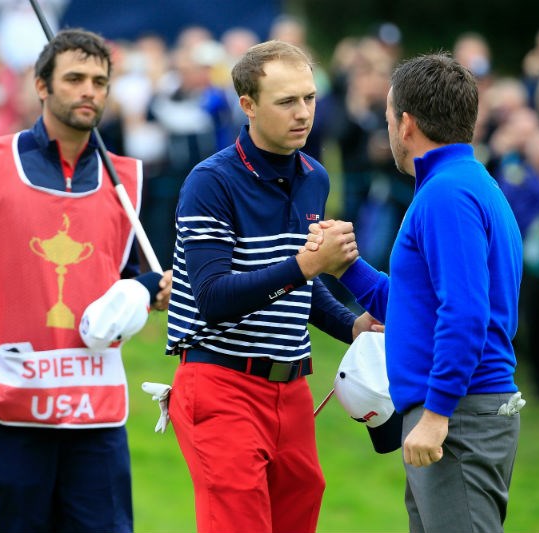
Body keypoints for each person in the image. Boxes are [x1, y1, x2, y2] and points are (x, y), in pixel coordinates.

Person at [0, 28, 171, 532]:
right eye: (74, 78)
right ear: (41, 85)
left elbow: (125, 279)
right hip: (4, 394)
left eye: (100, 81)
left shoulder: (126, 179)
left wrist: (147, 292)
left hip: (93, 403)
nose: (89, 91)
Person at [164, 40, 379, 533]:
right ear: (248, 105)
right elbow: (214, 298)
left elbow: (297, 288)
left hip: (292, 391)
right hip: (220, 383)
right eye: (286, 101)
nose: (303, 113)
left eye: (309, 98)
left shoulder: (314, 177)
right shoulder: (210, 181)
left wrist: (353, 327)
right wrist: (306, 266)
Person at [309, 53, 525, 532]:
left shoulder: (447, 195)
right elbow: (417, 308)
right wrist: (347, 267)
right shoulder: (461, 184)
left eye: (388, 116)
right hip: (458, 412)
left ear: (406, 123)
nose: (388, 126)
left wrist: (437, 412)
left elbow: (465, 313)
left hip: (459, 414)